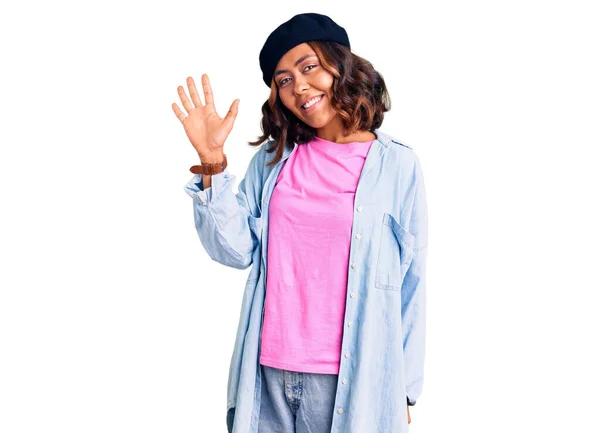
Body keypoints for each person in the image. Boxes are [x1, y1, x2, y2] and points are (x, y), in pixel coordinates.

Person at [173, 12, 428, 433]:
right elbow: (236, 251)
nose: (299, 87)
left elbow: (411, 281)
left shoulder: (397, 165)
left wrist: (403, 389)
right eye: (283, 80)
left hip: (351, 378)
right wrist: (213, 165)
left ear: (341, 66)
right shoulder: (273, 161)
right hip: (268, 371)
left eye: (309, 67)